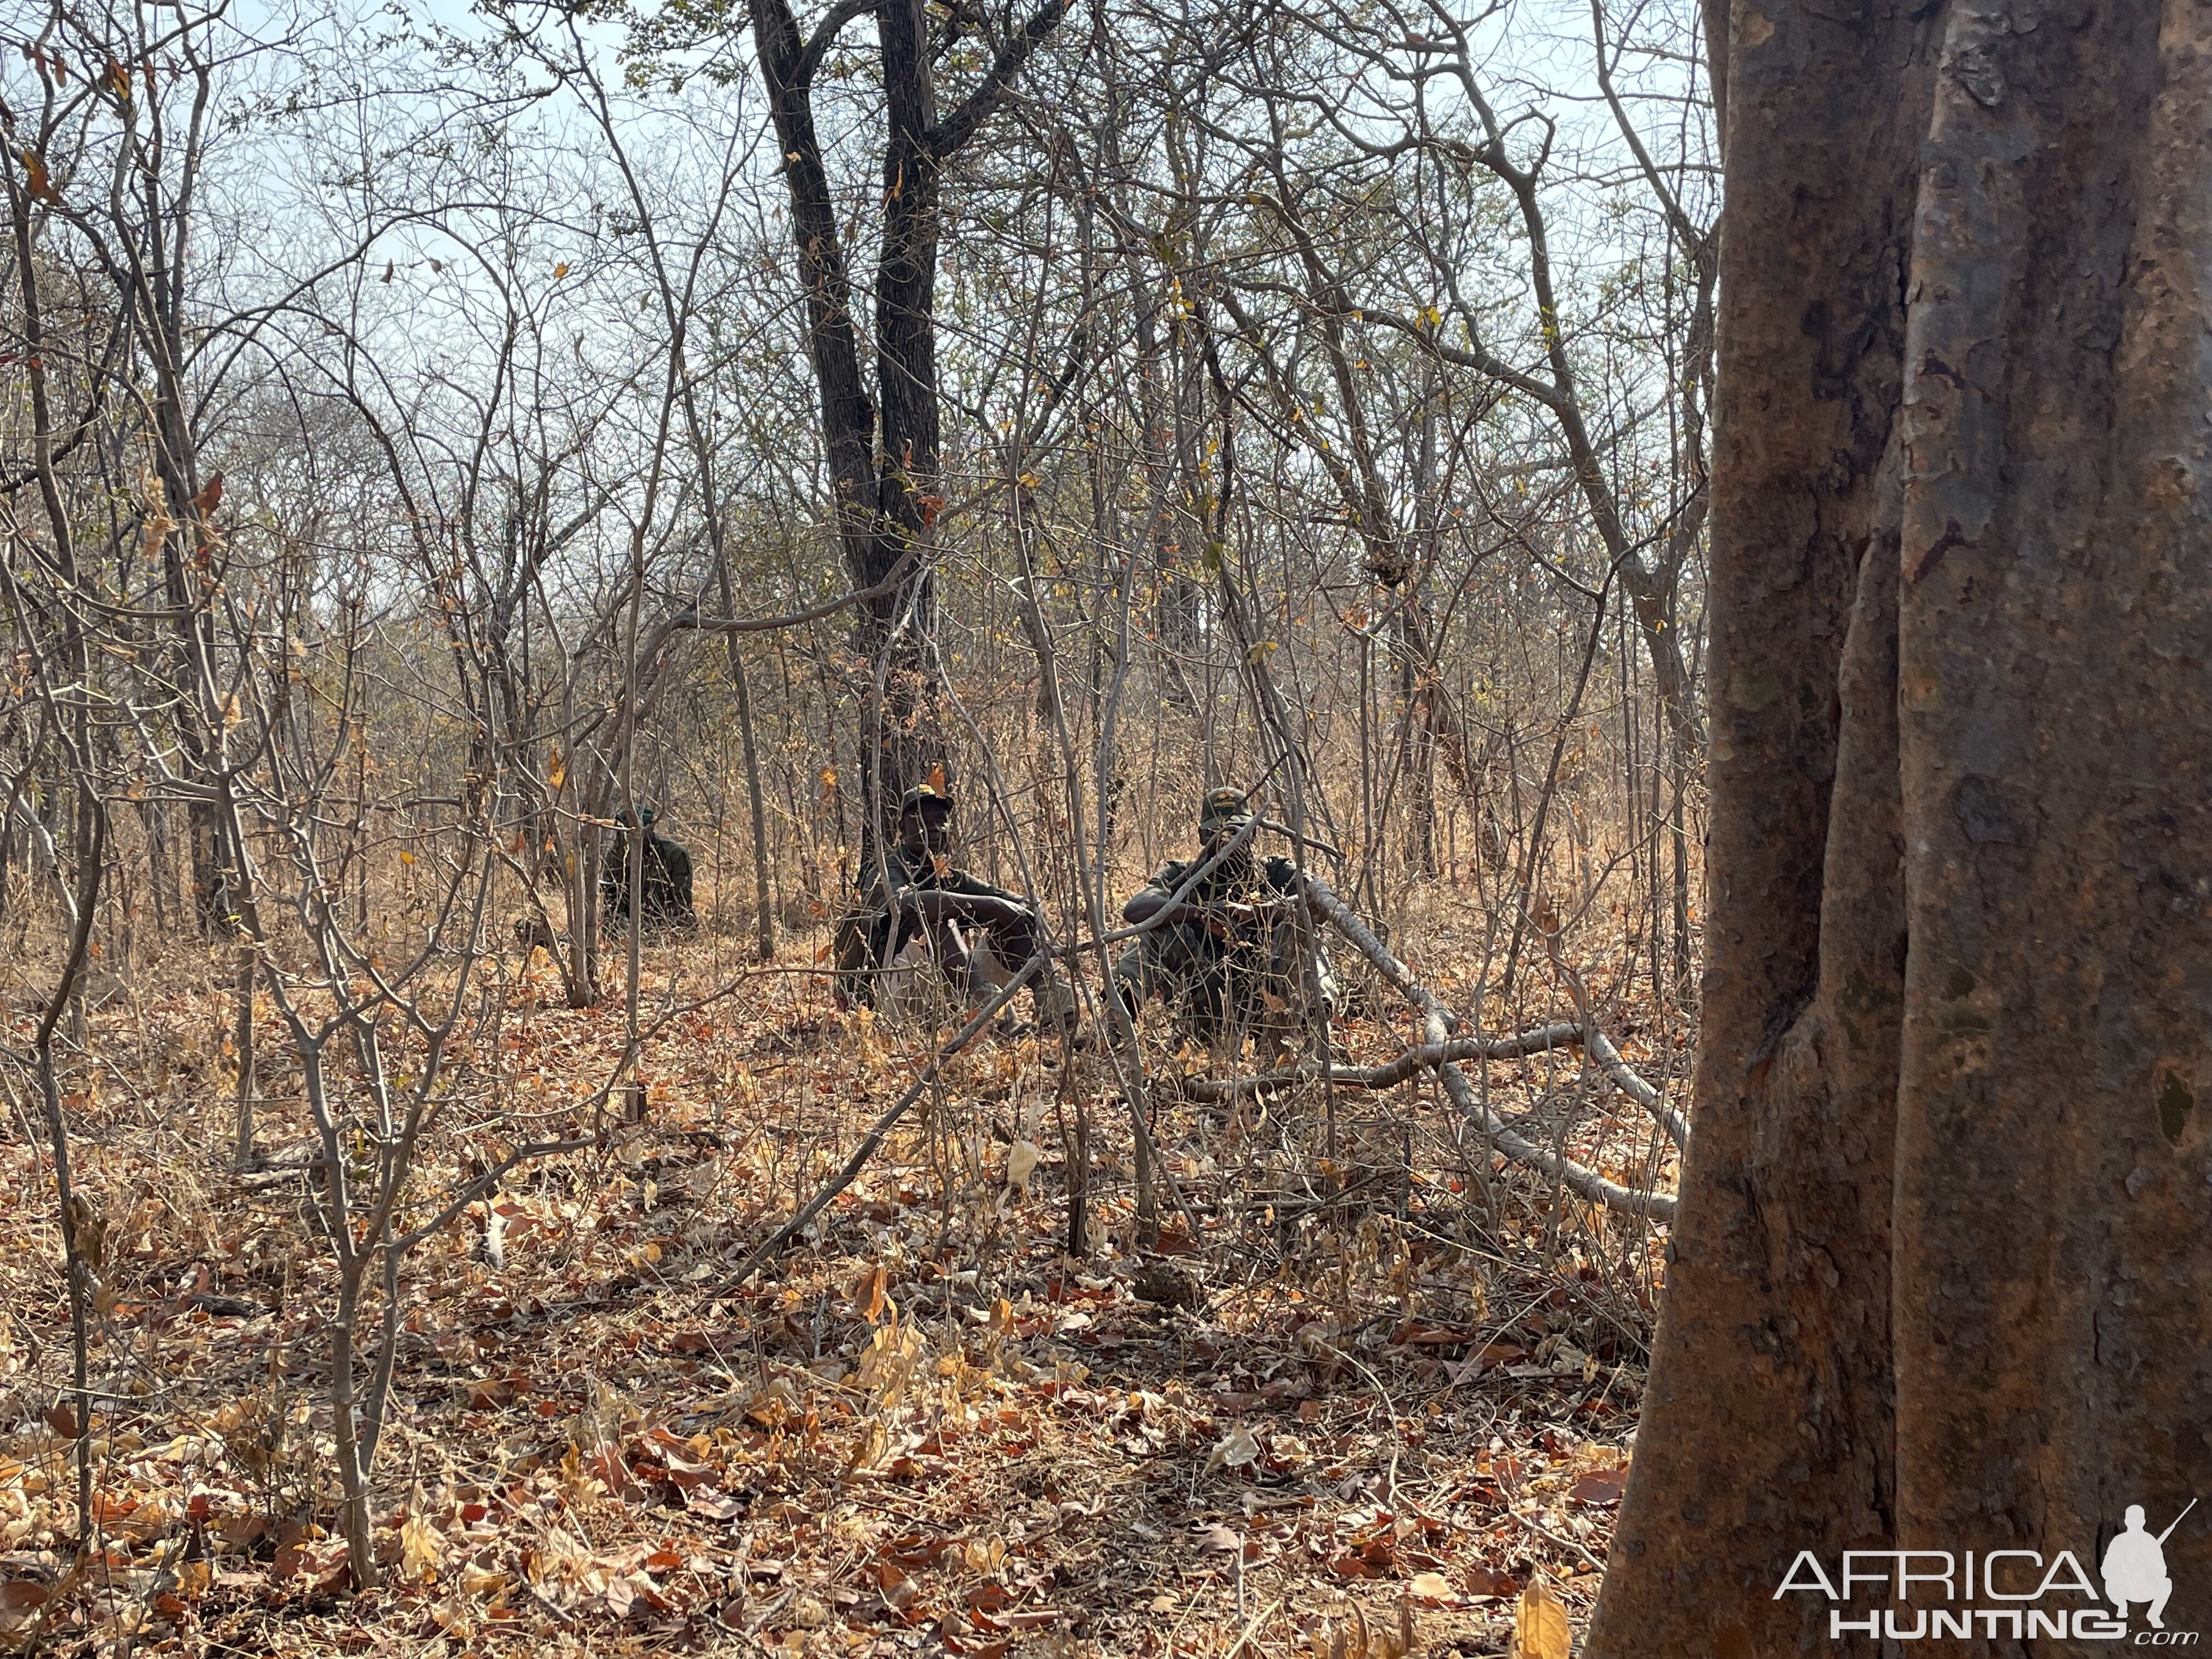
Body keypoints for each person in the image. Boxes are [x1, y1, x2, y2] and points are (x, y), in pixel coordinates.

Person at [833, 784, 1077, 1033]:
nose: (932, 827)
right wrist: (993, 906)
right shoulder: (886, 872)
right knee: (934, 924)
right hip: (894, 999)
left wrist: (1019, 910)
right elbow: (906, 903)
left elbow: (1023, 903)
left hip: (951, 991)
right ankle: (998, 1018)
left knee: (1011, 922)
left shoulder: (950, 876)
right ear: (901, 828)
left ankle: (1057, 1006)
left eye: (940, 820)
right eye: (919, 819)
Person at [1113, 787, 1338, 1051]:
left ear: (1253, 832)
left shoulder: (1275, 873)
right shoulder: (1183, 877)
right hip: (1203, 1004)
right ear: (1202, 836)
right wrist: (1199, 913)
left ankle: (1315, 1034)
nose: (1227, 841)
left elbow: (1325, 903)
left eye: (1236, 831)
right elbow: (1136, 909)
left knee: (1299, 928)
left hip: (1267, 1008)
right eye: (1215, 833)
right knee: (1153, 933)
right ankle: (1115, 1028)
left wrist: (1257, 913)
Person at [602, 806, 696, 927]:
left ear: (650, 830)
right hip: (627, 922)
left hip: (664, 920)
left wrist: (649, 923)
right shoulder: (616, 856)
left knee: (686, 921)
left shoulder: (674, 854)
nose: (629, 840)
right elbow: (611, 898)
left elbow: (683, 902)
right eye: (625, 834)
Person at [2102, 1504, 2175, 1629]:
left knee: (2166, 1583)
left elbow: (2162, 1572)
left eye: (2138, 1520)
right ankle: (2122, 1606)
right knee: (2110, 1583)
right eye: (2132, 1520)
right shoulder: (2119, 1541)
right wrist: (2123, 1571)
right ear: (2126, 1522)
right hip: (2123, 1590)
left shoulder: (2150, 1541)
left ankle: (2154, 1614)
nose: (2135, 1523)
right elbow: (2105, 1571)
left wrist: (2149, 1566)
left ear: (2144, 1522)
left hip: (2145, 1588)